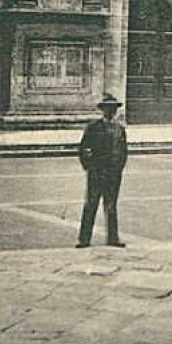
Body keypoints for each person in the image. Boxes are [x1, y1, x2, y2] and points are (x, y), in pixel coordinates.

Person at [76, 94, 128, 249]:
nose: (111, 111)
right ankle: (84, 239)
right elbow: (84, 149)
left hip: (113, 173)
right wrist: (90, 167)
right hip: (97, 172)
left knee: (111, 206)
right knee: (91, 204)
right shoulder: (93, 127)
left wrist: (119, 168)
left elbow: (123, 150)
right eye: (108, 108)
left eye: (113, 109)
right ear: (103, 110)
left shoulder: (120, 129)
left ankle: (113, 238)